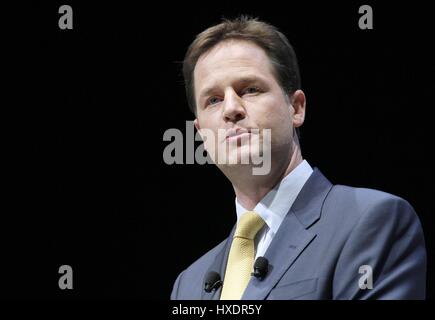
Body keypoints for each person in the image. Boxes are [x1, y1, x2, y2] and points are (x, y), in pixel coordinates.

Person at [170, 16, 426, 300]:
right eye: (213, 100)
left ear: (296, 108)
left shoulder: (372, 221)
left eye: (250, 89)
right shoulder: (188, 286)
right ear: (202, 133)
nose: (231, 108)